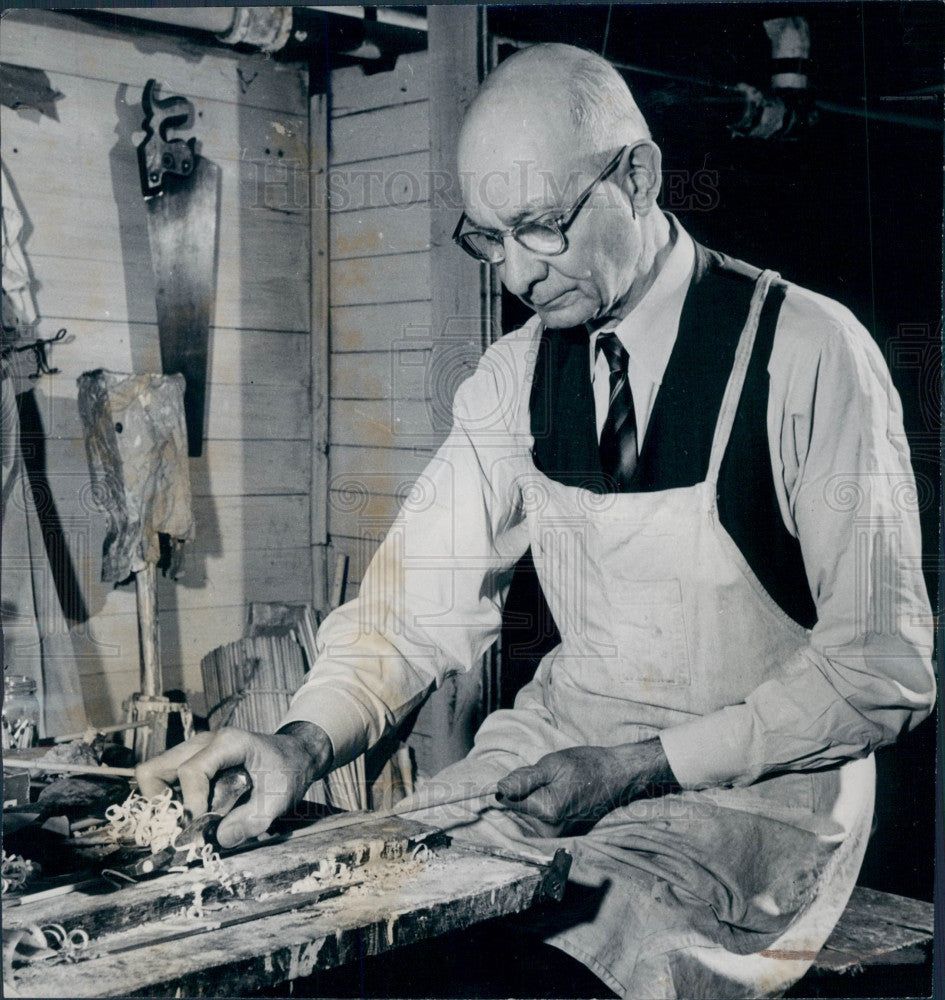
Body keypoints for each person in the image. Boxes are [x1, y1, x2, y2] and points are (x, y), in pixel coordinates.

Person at [139, 43, 935, 998]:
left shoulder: (806, 352)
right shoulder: (514, 378)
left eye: (540, 228)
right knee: (366, 917)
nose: (515, 273)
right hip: (561, 752)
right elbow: (409, 608)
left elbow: (880, 669)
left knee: (532, 970)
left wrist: (640, 768)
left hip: (755, 799)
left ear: (636, 178)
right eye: (487, 238)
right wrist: (299, 743)